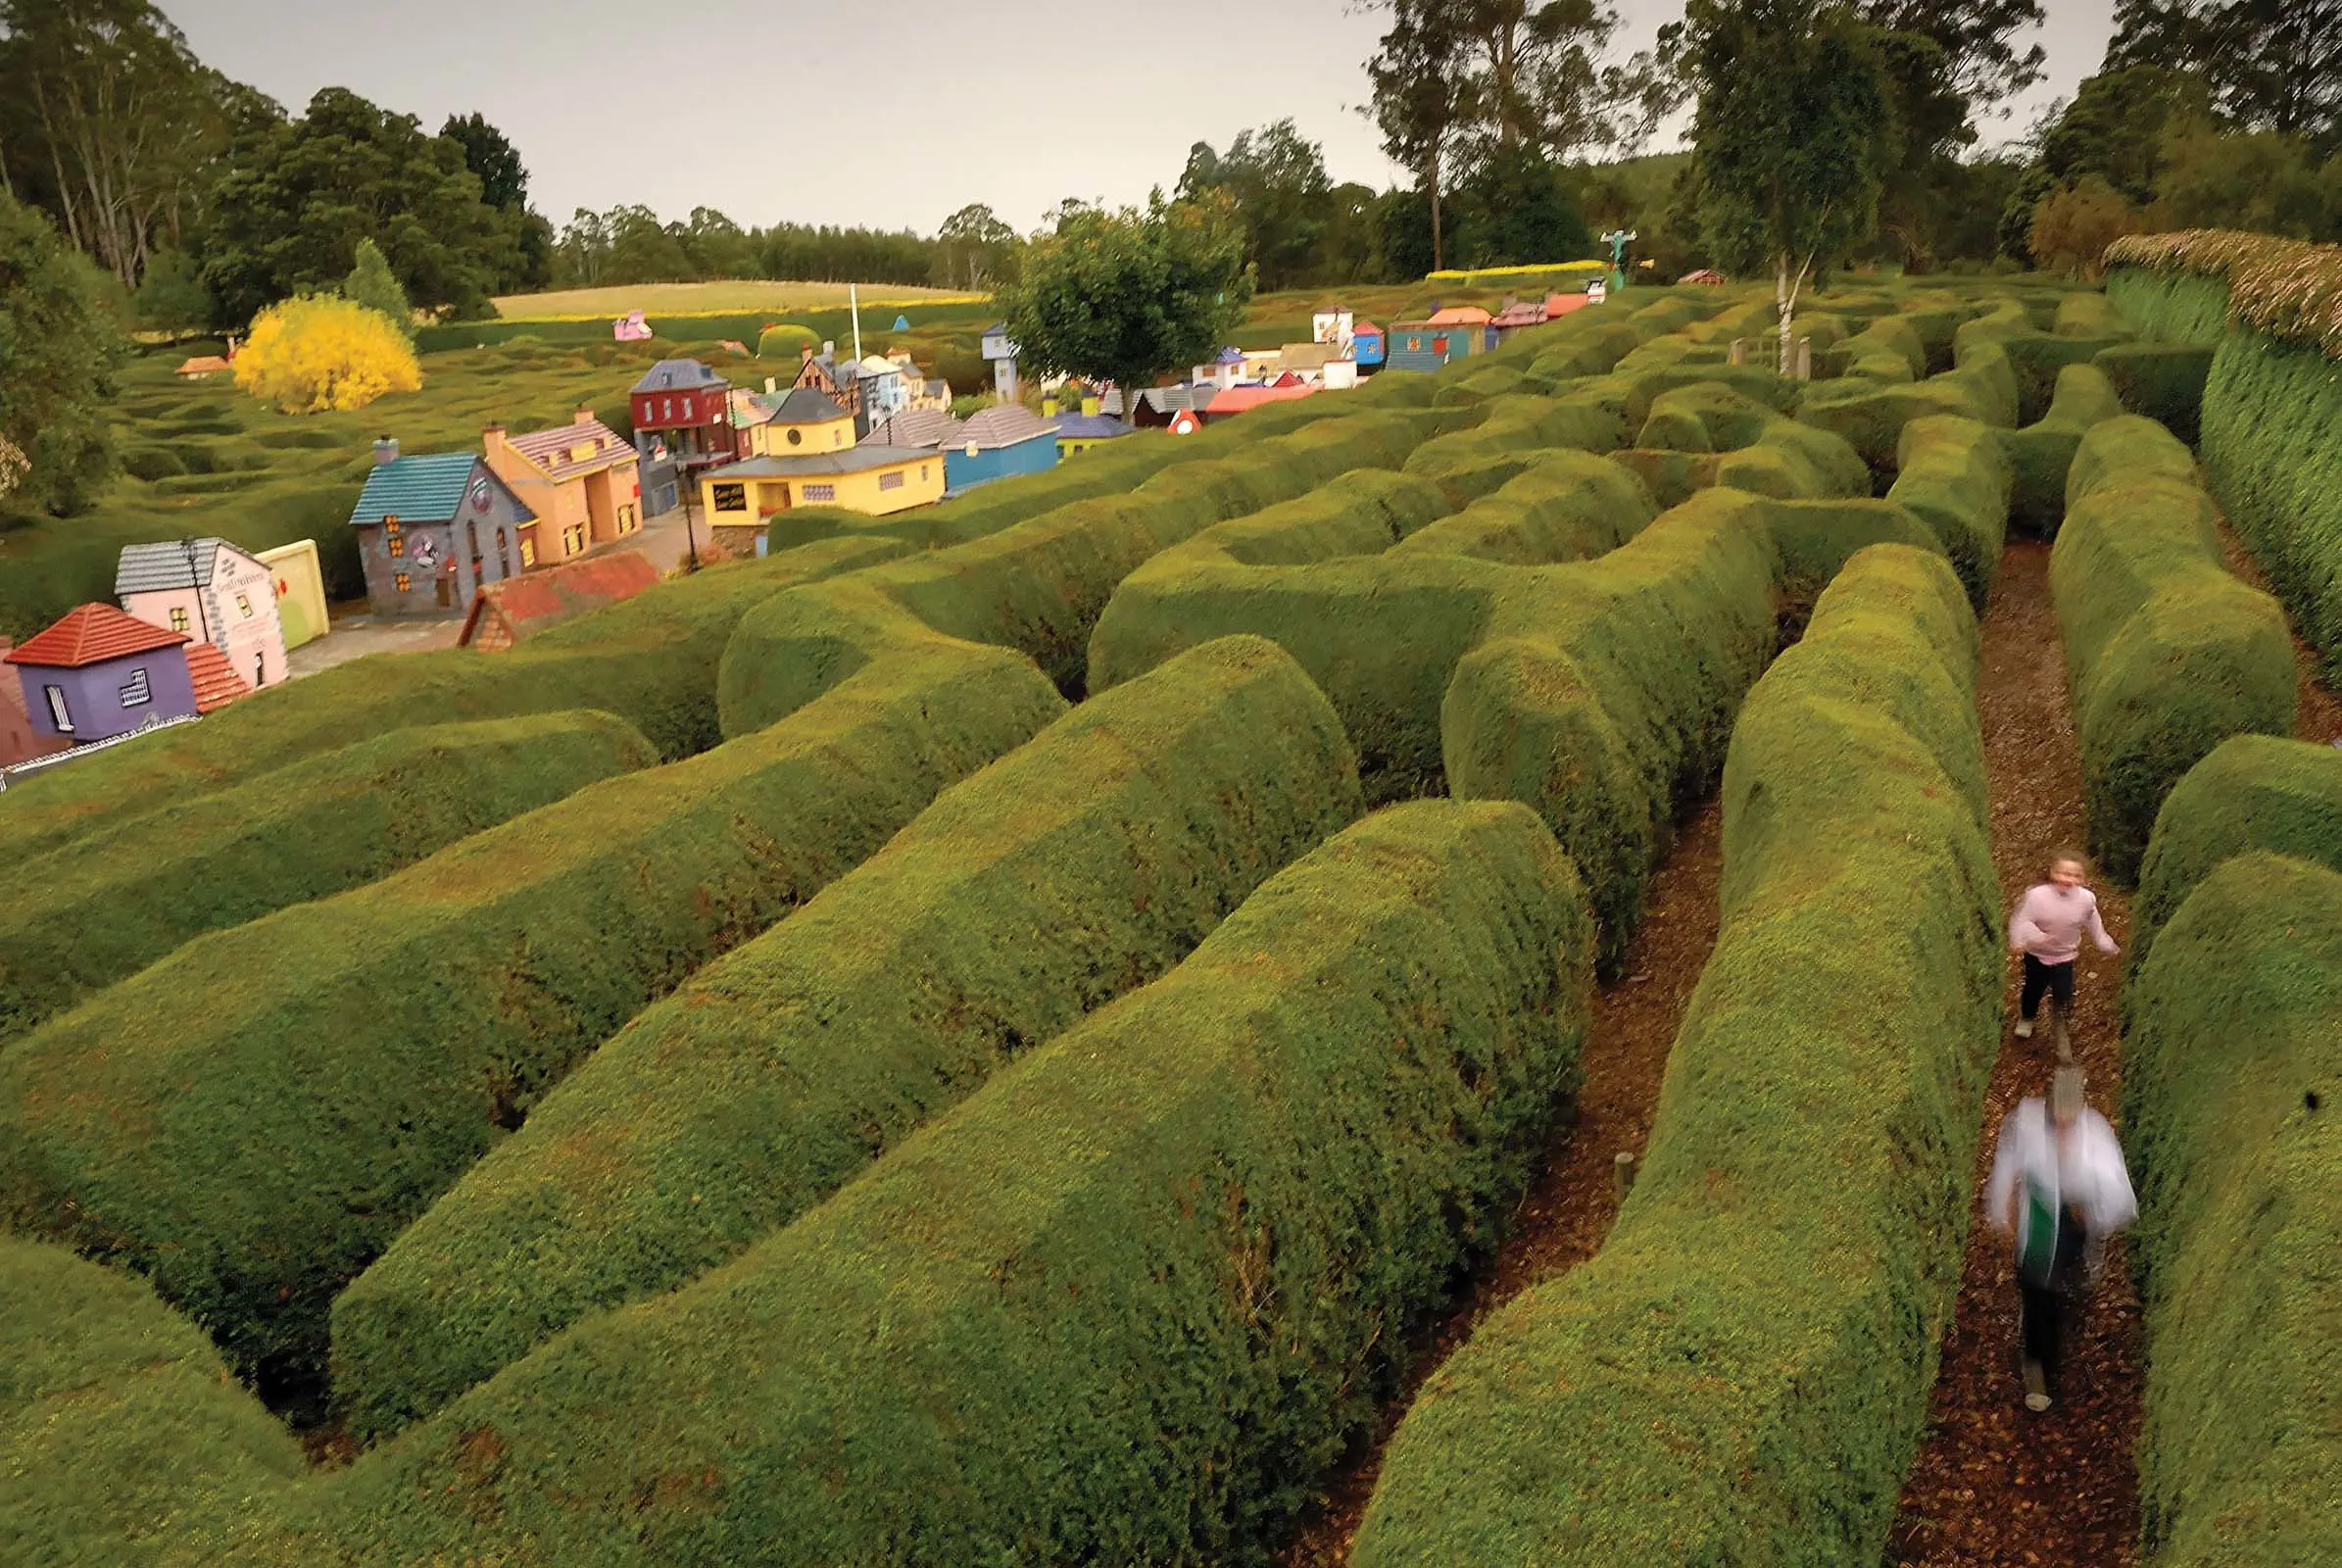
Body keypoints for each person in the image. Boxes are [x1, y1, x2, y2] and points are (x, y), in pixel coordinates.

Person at [1985, 1065, 2137, 1412]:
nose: (2064, 1131)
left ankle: (2050, 1325)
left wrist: (2093, 1209)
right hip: (2038, 1225)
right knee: (2038, 1290)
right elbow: (2008, 1163)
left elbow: (2115, 1186)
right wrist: (2003, 1202)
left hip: (2072, 1226)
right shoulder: (2027, 1123)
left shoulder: (2095, 1135)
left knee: (2059, 1287)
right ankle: (2037, 1366)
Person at [2008, 850, 2119, 1058]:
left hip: (2064, 956)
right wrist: (2030, 937)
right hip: (2036, 954)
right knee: (2033, 989)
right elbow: (2022, 920)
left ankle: (2061, 1020)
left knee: (2064, 991)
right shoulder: (2036, 896)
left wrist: (2104, 942)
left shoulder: (2086, 899)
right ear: (2052, 873)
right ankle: (2027, 1017)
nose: (2068, 879)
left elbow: (2093, 921)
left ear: (2083, 879)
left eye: (2075, 875)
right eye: (2063, 873)